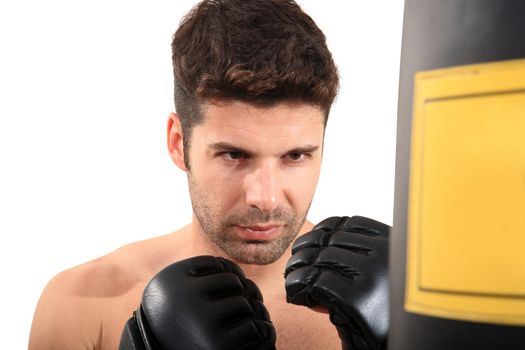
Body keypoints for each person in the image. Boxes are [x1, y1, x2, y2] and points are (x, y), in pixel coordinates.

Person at [29, 1, 389, 349]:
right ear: (177, 142)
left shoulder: (398, 301)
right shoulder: (83, 307)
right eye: (234, 155)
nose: (265, 198)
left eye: (295, 156)